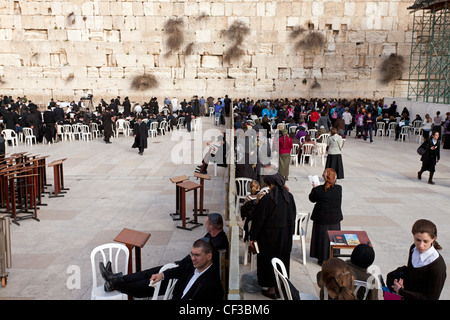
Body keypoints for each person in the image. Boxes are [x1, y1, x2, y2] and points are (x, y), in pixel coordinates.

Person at [100, 214, 228, 299]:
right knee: (150, 273)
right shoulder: (213, 235)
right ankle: (118, 279)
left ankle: (116, 284)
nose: (205, 226)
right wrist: (176, 266)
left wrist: (181, 265)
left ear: (211, 227)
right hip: (184, 267)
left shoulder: (219, 244)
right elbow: (193, 259)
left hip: (184, 270)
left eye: (206, 224)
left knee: (147, 284)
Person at [249, 173, 297, 299]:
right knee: (281, 261)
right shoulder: (289, 197)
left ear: (271, 184)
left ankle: (271, 290)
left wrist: (252, 237)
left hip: (269, 239)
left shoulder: (267, 199)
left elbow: (258, 220)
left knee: (269, 262)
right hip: (284, 237)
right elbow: (293, 216)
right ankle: (280, 286)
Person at [388, 219, 446, 300]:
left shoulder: (437, 266)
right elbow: (410, 274)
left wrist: (401, 291)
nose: (421, 245)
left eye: (426, 241)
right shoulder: (413, 249)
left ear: (433, 239)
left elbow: (431, 298)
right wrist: (401, 282)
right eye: (418, 240)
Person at [149, 238, 224, 300]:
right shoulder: (192, 266)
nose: (193, 258)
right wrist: (162, 274)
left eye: (197, 255)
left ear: (209, 256)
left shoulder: (211, 283)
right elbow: (178, 270)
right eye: (192, 254)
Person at [309, 168, 343, 265]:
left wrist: (314, 188)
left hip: (321, 219)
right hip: (334, 219)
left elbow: (311, 199)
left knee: (322, 239)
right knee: (333, 239)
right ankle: (333, 256)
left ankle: (321, 258)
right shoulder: (339, 188)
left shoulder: (318, 190)